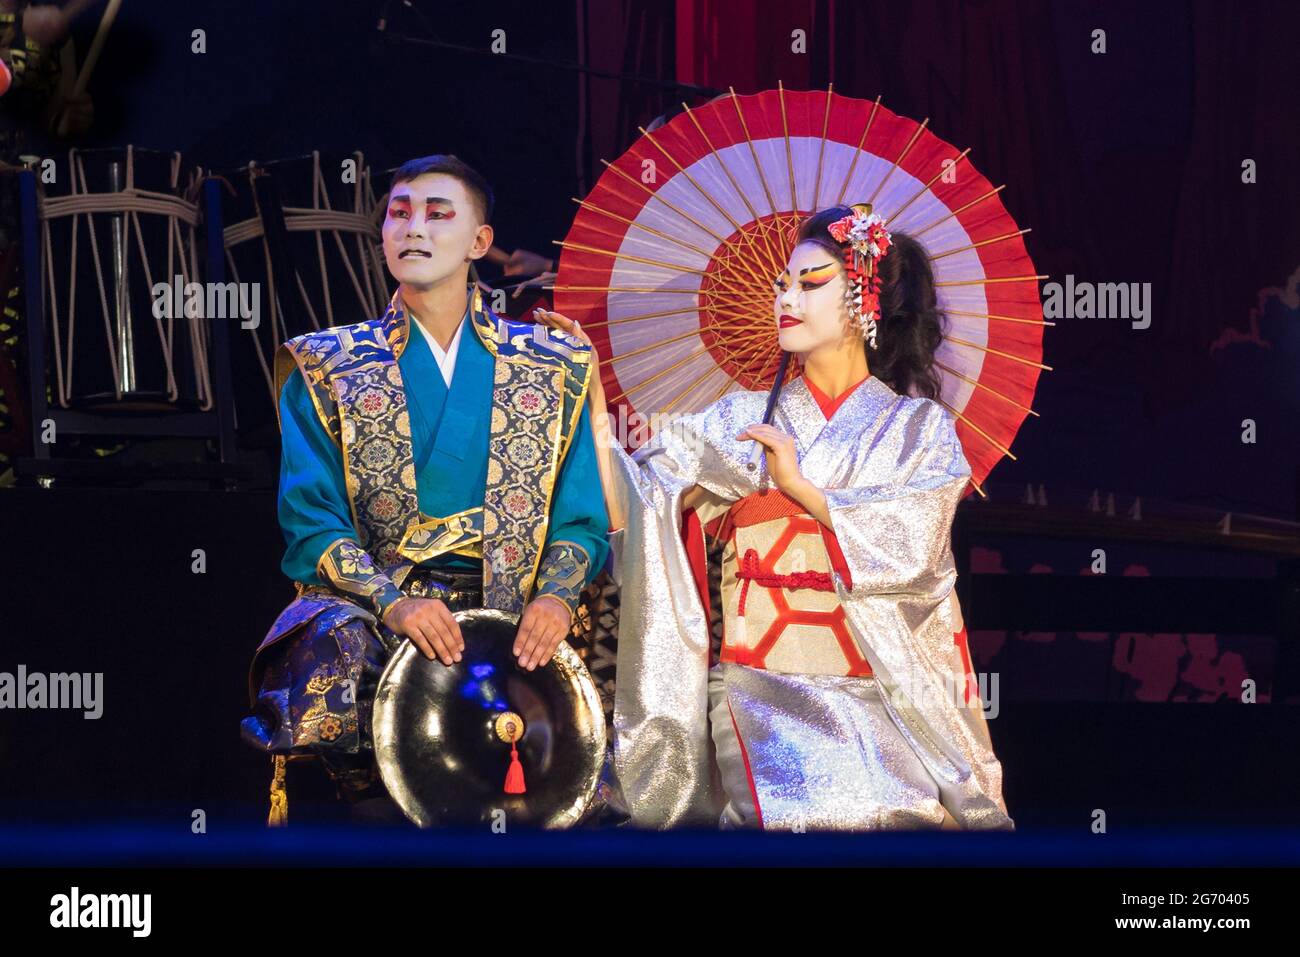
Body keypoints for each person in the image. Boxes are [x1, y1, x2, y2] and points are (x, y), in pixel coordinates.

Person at [537, 203, 1014, 831]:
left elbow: (916, 554)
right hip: (761, 690)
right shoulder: (738, 421)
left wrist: (799, 489)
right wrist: (591, 395)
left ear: (863, 300)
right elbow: (638, 507)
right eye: (782, 284)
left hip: (885, 693)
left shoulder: (918, 430)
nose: (786, 297)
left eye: (810, 282)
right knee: (815, 818)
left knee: (921, 820)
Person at [241, 154, 610, 824]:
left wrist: (555, 598)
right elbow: (311, 520)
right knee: (343, 660)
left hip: (512, 608)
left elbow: (580, 518)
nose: (413, 227)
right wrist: (393, 604)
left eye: (438, 213)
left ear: (479, 242)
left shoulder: (553, 366)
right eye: (399, 212)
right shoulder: (326, 364)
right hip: (381, 609)